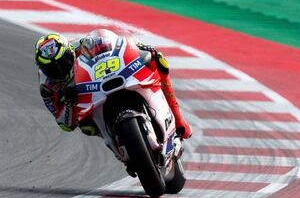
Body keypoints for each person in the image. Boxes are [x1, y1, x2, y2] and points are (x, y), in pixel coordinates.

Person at [34, 30, 192, 139]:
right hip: (86, 102)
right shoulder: (47, 87)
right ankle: (117, 140)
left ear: (70, 51)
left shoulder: (82, 46)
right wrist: (69, 104)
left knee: (159, 60)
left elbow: (116, 45)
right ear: (42, 68)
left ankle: (178, 119)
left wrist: (138, 47)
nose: (60, 70)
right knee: (88, 128)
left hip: (101, 80)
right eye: (52, 69)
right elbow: (65, 125)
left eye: (64, 62)